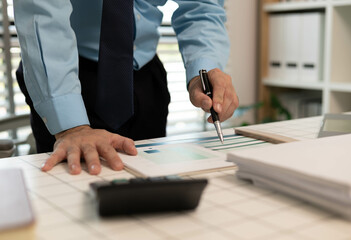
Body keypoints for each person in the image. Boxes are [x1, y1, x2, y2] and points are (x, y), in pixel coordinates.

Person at [13, 0, 239, 175]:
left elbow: (201, 6)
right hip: (63, 76)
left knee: (147, 188)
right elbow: (40, 12)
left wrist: (204, 67)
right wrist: (71, 128)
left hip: (145, 74)